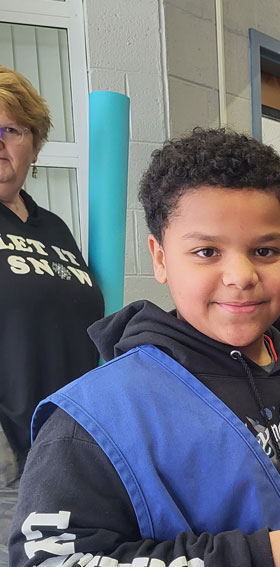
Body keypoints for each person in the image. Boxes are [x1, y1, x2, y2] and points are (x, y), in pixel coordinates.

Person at [9, 128, 280, 567]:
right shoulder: (92, 422)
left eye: (265, 250)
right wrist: (251, 558)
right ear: (160, 258)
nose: (240, 275)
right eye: (206, 252)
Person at [0, 65, 103, 556]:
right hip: (11, 464)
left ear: (34, 145)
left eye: (10, 130)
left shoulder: (54, 227)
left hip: (73, 446)